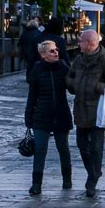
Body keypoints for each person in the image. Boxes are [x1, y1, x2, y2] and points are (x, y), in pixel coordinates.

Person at [66, 27, 105, 197]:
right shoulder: (79, 59)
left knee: (96, 148)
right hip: (80, 109)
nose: (78, 44)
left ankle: (92, 179)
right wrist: (74, 85)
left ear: (90, 44)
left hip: (98, 111)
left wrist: (97, 87)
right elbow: (70, 77)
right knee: (82, 145)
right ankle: (94, 171)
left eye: (81, 41)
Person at [24, 39, 73, 195]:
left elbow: (73, 87)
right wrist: (28, 117)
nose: (56, 52)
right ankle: (36, 184)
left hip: (61, 113)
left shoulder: (63, 68)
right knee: (40, 150)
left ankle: (67, 179)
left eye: (56, 50)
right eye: (52, 51)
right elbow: (32, 96)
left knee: (63, 148)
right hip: (42, 115)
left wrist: (67, 68)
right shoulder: (37, 71)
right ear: (43, 55)